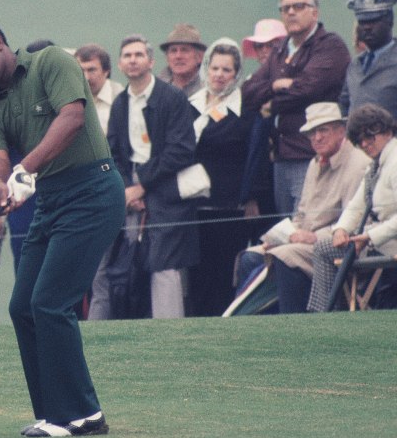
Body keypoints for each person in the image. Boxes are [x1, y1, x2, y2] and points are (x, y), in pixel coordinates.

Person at [0, 18, 122, 437]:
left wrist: (28, 168)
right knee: (22, 306)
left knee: (51, 303)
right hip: (52, 201)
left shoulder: (51, 62)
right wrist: (1, 183)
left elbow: (72, 117)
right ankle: (53, 412)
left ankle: (81, 415)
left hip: (92, 191)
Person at [235, 102, 368, 313]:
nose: (317, 138)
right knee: (251, 256)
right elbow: (302, 213)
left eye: (323, 130)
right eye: (311, 133)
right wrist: (284, 235)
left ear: (341, 130)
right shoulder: (315, 162)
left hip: (337, 244)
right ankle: (256, 327)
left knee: (284, 256)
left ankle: (292, 322)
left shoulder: (358, 164)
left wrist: (314, 237)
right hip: (305, 242)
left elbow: (355, 223)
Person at [108, 34, 199, 319]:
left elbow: (182, 149)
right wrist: (127, 188)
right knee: (130, 259)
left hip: (167, 187)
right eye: (127, 55)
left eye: (138, 54)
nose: (132, 60)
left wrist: (143, 185)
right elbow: (113, 152)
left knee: (165, 262)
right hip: (131, 190)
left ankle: (170, 332)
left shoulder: (171, 97)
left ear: (150, 61)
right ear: (121, 65)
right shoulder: (120, 103)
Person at [242, 0, 351, 215]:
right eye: (285, 8)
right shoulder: (280, 49)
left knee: (308, 225)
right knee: (287, 228)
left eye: (299, 6)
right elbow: (247, 93)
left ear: (315, 12)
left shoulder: (330, 45)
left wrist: (271, 104)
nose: (291, 12)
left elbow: (307, 89)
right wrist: (274, 85)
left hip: (313, 154)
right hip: (282, 157)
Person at [186, 38, 254, 316]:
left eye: (226, 70)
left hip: (229, 204)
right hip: (195, 203)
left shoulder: (243, 110)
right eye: (215, 68)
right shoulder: (190, 105)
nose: (219, 75)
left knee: (225, 272)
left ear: (236, 74)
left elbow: (251, 156)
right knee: (198, 273)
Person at [308, 104, 397, 312]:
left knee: (322, 249)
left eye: (370, 137)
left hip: (387, 241)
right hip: (380, 240)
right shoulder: (377, 163)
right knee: (324, 247)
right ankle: (325, 314)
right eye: (360, 140)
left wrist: (369, 237)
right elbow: (356, 206)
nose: (365, 144)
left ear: (387, 131)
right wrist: (341, 230)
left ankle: (326, 315)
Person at [75, 44, 125, 320]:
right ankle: (96, 323)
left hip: (121, 190)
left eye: (91, 69)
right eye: (80, 70)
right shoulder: (73, 100)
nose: (86, 76)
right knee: (98, 269)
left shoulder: (121, 98)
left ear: (106, 70)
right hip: (87, 194)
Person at [239, 19, 287, 236]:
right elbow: (251, 146)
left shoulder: (295, 80)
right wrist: (251, 194)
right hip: (263, 184)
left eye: (272, 45)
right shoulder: (250, 86)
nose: (266, 51)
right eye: (260, 46)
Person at [339, 0, 397, 118]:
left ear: (390, 21)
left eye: (374, 21)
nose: (367, 27)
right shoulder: (355, 65)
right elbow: (344, 104)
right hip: (358, 137)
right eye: (362, 22)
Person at [157, 23, 206, 98]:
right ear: (167, 58)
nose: (178, 56)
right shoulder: (156, 89)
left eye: (184, 50)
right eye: (173, 51)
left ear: (200, 57)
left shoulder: (210, 88)